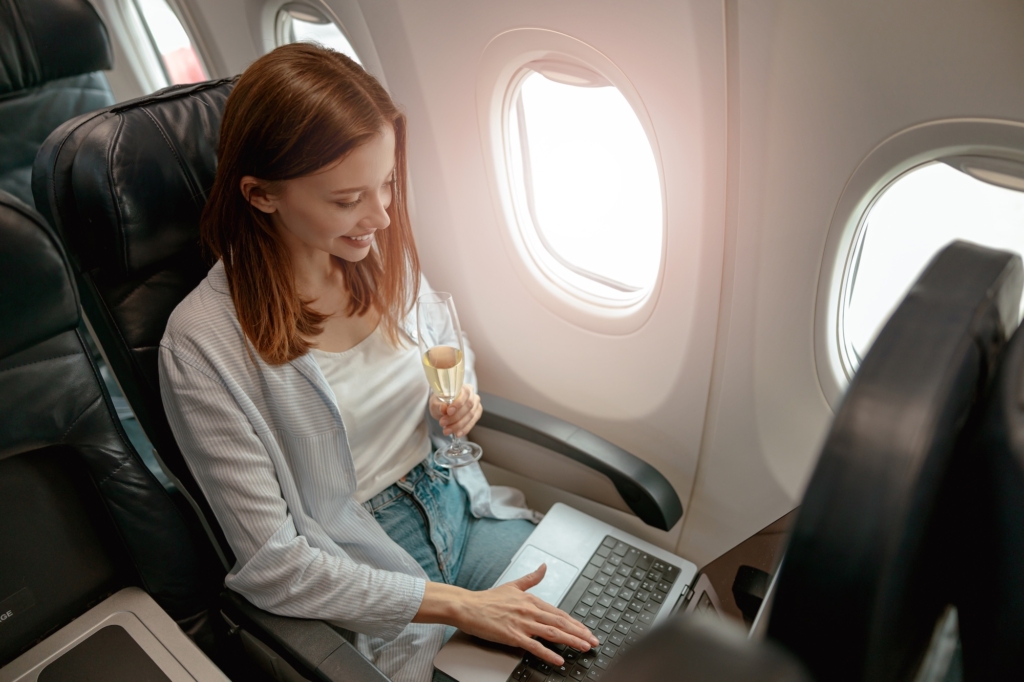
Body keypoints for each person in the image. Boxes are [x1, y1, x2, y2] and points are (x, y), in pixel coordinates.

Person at [158, 42, 598, 682]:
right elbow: (276, 565)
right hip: (368, 567)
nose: (382, 214)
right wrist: (461, 608)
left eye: (387, 182)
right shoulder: (202, 345)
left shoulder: (381, 254)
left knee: (603, 642)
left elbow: (447, 354)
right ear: (260, 196)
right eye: (347, 199)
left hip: (461, 509)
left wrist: (459, 400)